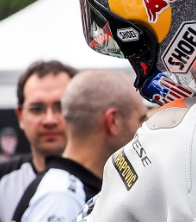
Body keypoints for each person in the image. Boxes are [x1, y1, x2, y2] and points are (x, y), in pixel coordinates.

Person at [12, 70, 147, 222]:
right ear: (113, 122)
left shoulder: (71, 188)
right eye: (141, 119)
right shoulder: (62, 196)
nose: (143, 129)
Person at [0, 60, 75, 222]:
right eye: (36, 109)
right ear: (20, 116)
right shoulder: (3, 180)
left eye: (61, 107)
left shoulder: (109, 181)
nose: (49, 120)